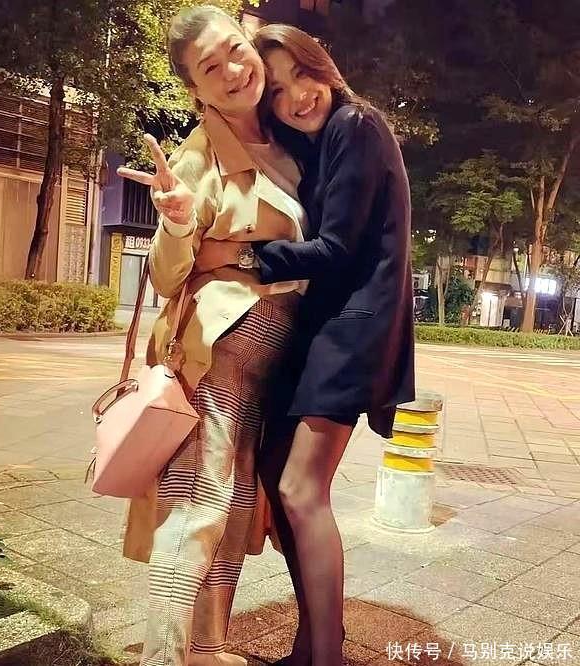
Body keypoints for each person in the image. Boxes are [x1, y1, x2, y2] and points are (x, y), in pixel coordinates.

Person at [196, 24, 415, 666]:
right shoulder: (316, 146)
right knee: (275, 475)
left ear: (326, 66)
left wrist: (242, 256)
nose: (298, 96)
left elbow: (338, 247)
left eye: (305, 74)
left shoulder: (357, 125)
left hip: (355, 329)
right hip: (325, 327)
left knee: (299, 488)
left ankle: (326, 656)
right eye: (280, 90)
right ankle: (315, 640)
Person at [117, 8, 309, 666]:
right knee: (201, 506)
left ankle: (207, 647)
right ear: (195, 88)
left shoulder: (286, 136)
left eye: (234, 49)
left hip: (269, 362)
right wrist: (176, 222)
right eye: (210, 67)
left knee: (235, 508)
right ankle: (163, 658)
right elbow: (167, 277)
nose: (232, 69)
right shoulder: (198, 155)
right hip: (217, 351)